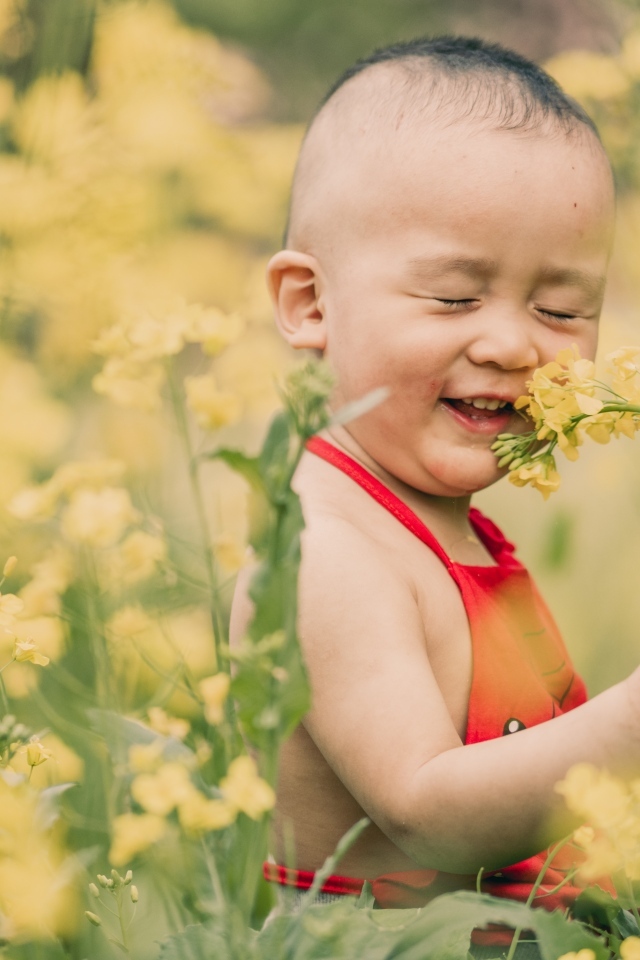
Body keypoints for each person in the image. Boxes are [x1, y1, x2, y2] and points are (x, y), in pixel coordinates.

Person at [230, 35, 629, 955]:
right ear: (310, 304)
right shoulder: (325, 550)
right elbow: (428, 813)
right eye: (455, 298)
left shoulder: (454, 532)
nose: (514, 346)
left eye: (563, 309)